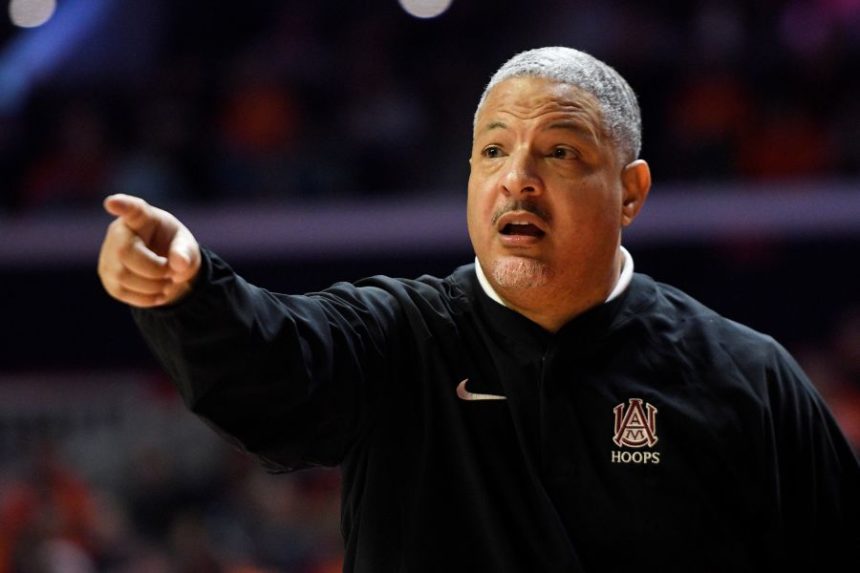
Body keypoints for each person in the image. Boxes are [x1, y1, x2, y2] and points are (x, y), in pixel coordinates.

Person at [98, 47, 859, 572]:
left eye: (560, 152)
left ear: (630, 191)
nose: (517, 178)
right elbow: (276, 361)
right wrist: (191, 293)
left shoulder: (748, 378)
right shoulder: (397, 337)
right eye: (494, 151)